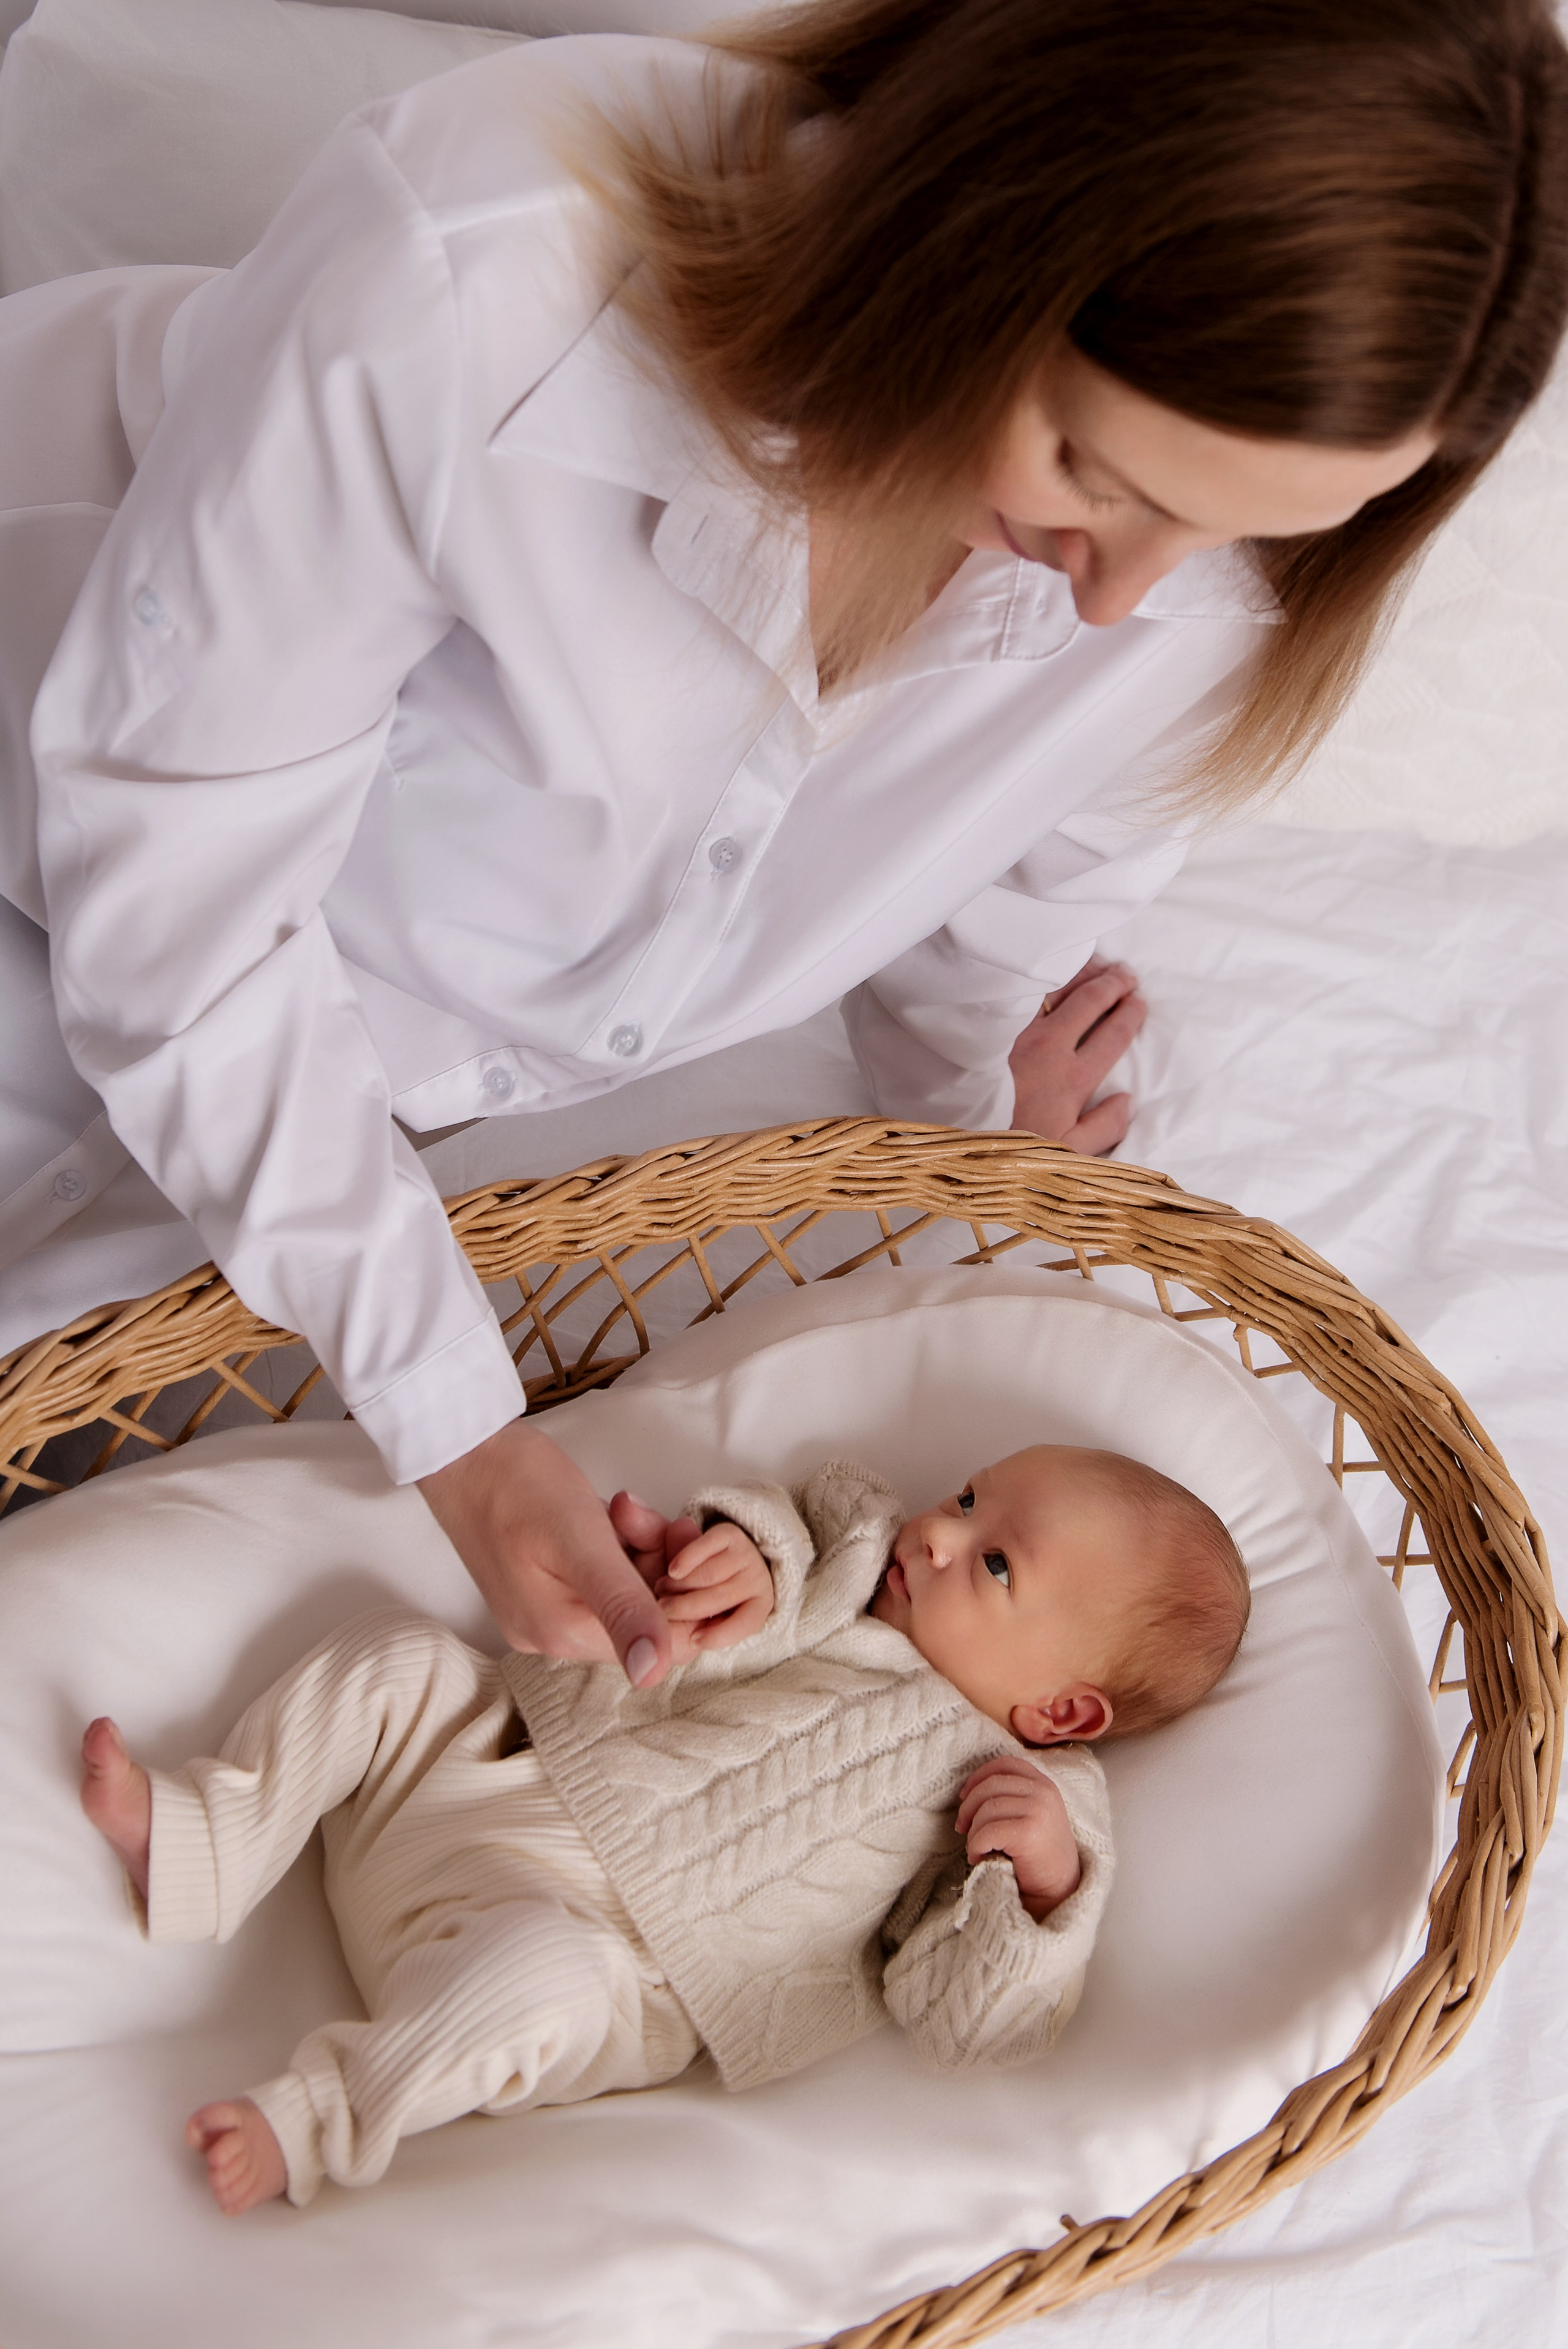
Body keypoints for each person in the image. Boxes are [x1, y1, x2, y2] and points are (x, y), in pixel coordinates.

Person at [3, 1, 1565, 1686]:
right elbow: (184, 898)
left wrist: (978, 1154)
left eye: (1223, 536)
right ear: (978, 223)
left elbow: (996, 911)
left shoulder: (1188, 601)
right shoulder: (493, 268)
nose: (1120, 593)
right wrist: (456, 1420)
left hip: (289, 1126)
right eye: (1095, 476)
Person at [78, 1442, 1250, 2212]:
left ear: (1063, 1709)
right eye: (967, 1496)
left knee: (548, 1979)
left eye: (994, 1560)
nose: (939, 1532)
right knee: (404, 1659)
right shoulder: (854, 1559)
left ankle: (322, 2116)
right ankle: (209, 1842)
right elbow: (772, 1547)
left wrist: (1037, 1897)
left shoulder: (1031, 1800)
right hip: (488, 1771)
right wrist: (742, 1554)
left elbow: (960, 2020)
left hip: (604, 1952)